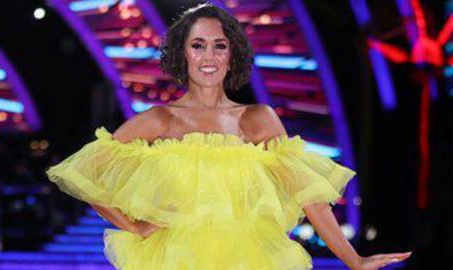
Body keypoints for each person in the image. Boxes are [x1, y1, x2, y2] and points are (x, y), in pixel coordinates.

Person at [46, 3, 411, 270]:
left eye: (219, 45)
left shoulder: (257, 119)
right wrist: (134, 225)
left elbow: (310, 198)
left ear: (232, 54)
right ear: (181, 54)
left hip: (250, 259)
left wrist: (353, 259)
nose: (209, 55)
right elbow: (85, 174)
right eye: (197, 45)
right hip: (175, 260)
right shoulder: (160, 120)